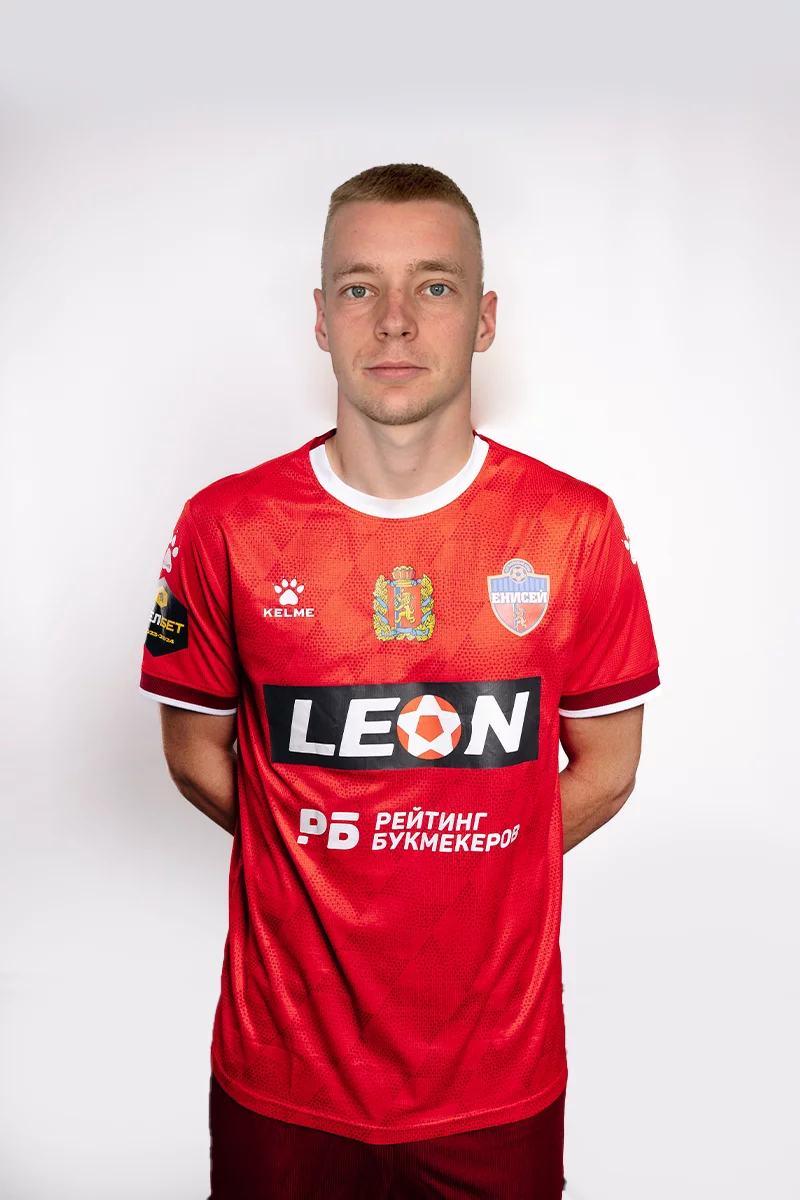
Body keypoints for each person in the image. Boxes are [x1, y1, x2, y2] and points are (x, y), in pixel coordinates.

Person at [140, 163, 660, 1199]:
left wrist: (474, 858)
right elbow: (197, 756)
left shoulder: (574, 529)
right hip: (282, 1083)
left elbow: (605, 769)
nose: (393, 320)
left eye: (433, 284)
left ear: (484, 319)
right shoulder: (227, 527)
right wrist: (319, 851)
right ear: (319, 319)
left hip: (495, 1088)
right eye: (358, 287)